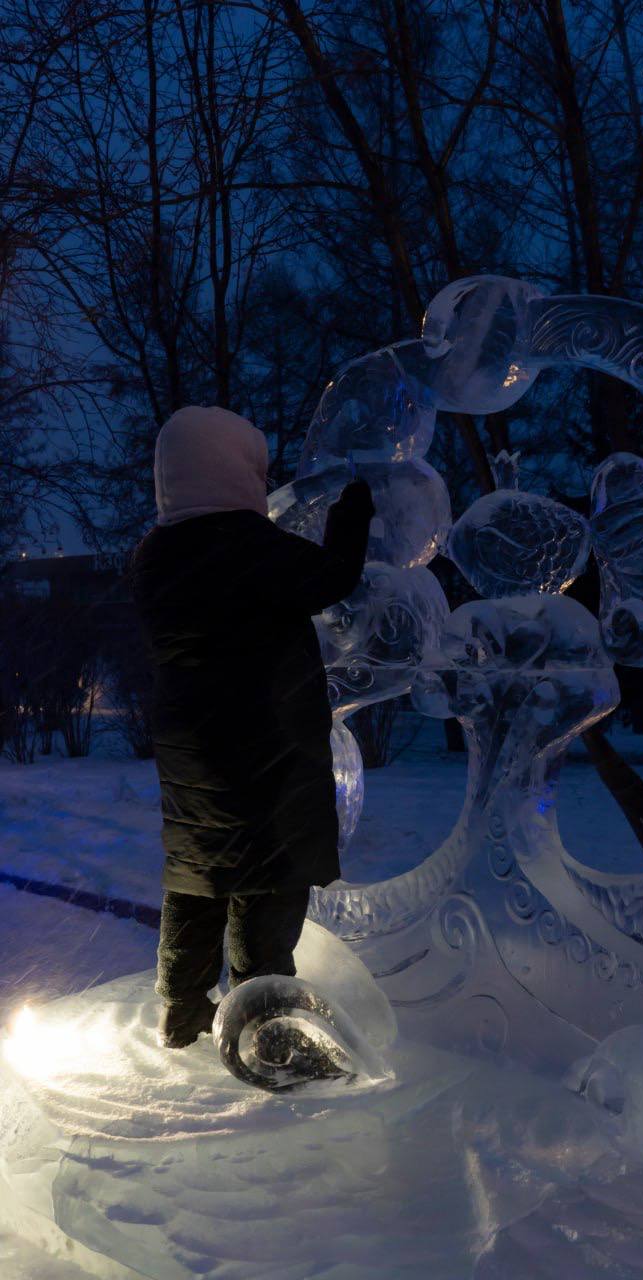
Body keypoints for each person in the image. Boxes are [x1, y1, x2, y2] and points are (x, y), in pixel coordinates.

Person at [130, 405, 375, 1048]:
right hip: (264, 750)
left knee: (199, 874)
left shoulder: (155, 554)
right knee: (269, 879)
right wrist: (353, 513)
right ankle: (262, 1024)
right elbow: (330, 576)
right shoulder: (244, 544)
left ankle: (181, 1010)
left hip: (191, 756)